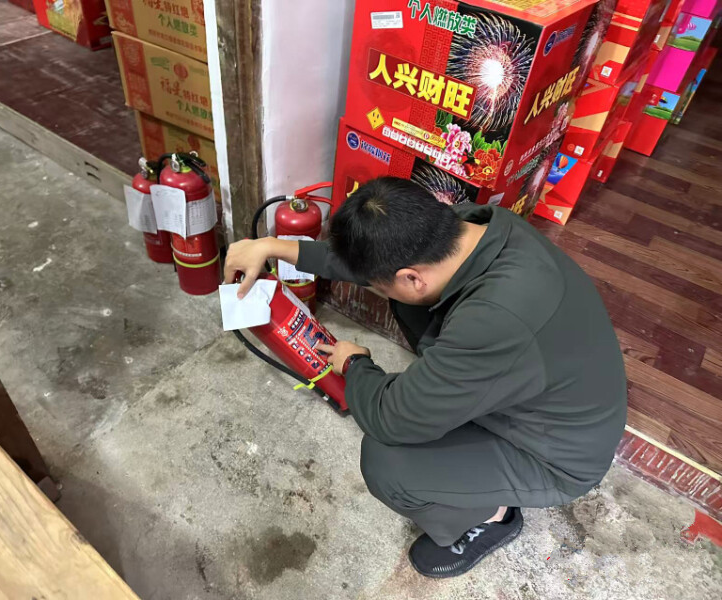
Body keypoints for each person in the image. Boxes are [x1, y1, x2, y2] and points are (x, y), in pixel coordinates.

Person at [223, 177, 627, 578]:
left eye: (381, 285)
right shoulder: (467, 226)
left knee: (388, 464)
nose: (375, 287)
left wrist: (356, 365)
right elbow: (372, 260)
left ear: (413, 277)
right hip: (534, 392)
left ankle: (493, 516)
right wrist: (271, 246)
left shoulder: (495, 321)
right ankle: (457, 414)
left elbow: (392, 419)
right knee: (412, 307)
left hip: (554, 455)